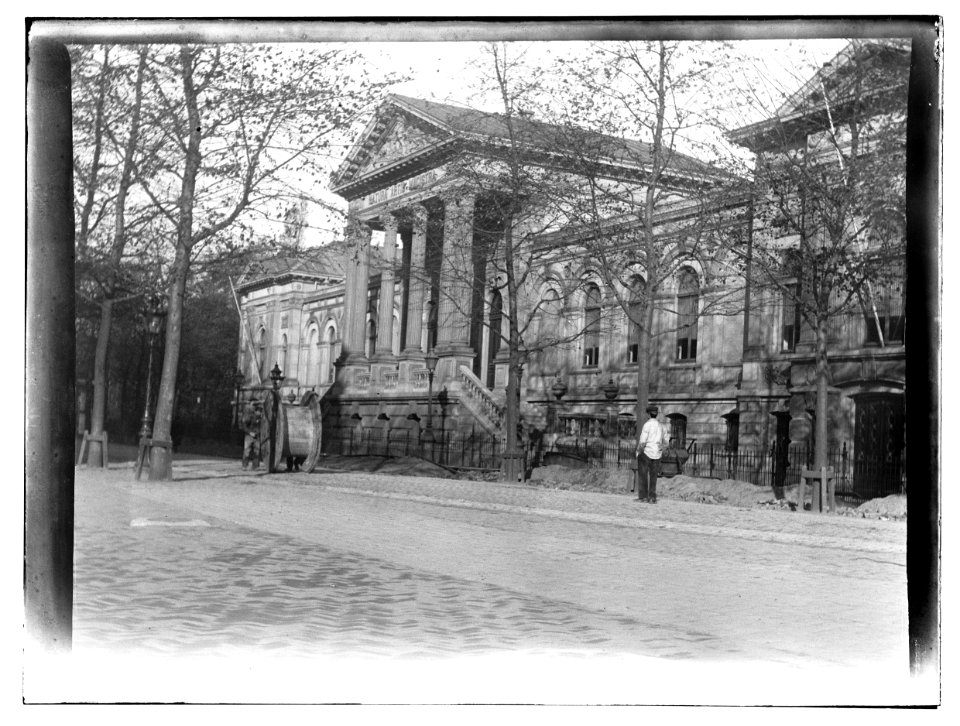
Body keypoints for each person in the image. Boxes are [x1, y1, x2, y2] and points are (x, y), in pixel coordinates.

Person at [636, 404, 669, 503]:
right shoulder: (661, 426)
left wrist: (638, 451)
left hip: (647, 452)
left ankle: (643, 496)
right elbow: (666, 440)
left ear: (648, 415)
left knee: (643, 474)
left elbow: (642, 441)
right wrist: (663, 447)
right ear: (657, 414)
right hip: (657, 453)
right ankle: (652, 497)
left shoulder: (647, 425)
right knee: (654, 476)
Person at [241, 401, 262, 470]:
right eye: (259, 411)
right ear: (255, 411)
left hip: (257, 436)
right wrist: (250, 433)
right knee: (247, 451)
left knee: (257, 452)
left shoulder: (261, 419)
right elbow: (244, 426)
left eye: (260, 411)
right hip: (249, 436)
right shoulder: (249, 417)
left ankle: (255, 466)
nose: (260, 413)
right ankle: (244, 466)